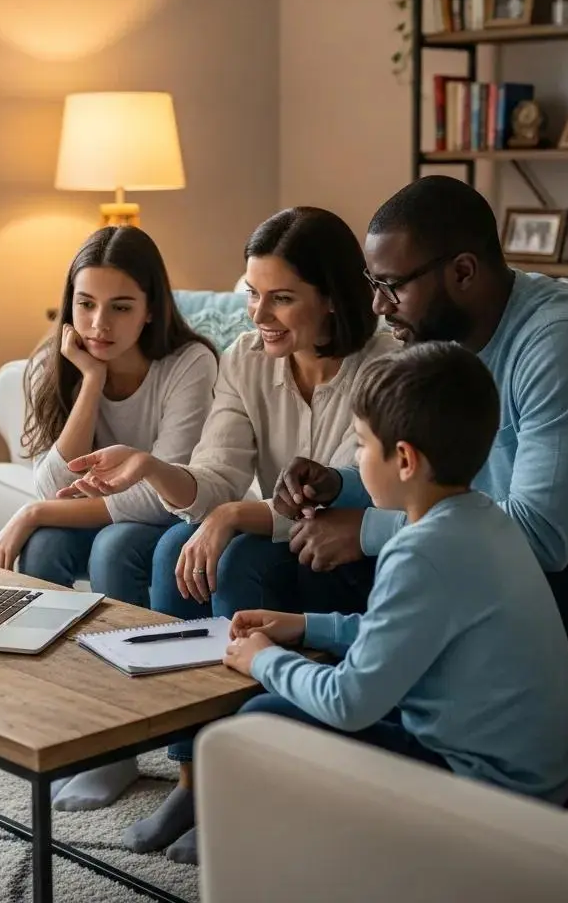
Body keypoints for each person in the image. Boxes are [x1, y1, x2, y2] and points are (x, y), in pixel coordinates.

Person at [164, 342, 568, 866]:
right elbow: (404, 634)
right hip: (543, 787)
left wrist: (263, 659)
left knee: (261, 718)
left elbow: (349, 702)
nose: (356, 462)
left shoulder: (417, 550)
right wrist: (305, 626)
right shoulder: (485, 521)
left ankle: (269, 868)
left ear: (403, 459)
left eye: (360, 445)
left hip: (486, 796)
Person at [61, 205, 395, 852]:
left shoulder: (383, 365)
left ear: (331, 299)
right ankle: (193, 776)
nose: (258, 314)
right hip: (289, 540)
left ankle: (241, 779)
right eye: (252, 294)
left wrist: (232, 515)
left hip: (355, 554)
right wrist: (153, 467)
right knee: (172, 552)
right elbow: (214, 477)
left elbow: (346, 502)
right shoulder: (248, 358)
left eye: (281, 299)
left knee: (236, 559)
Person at [274, 174, 568, 680]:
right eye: (372, 284)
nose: (379, 306)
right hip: (539, 557)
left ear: (463, 272)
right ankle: (350, 728)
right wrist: (341, 486)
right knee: (326, 563)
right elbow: (431, 476)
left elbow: (540, 539)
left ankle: (396, 736)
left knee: (450, 587)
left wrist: (367, 531)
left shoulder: (563, 343)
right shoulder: (441, 338)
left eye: (392, 285)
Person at [0, 224, 218, 811]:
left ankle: (121, 746)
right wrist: (89, 382)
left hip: (177, 514)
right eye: (85, 305)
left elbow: (166, 491)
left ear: (150, 310)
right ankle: (68, 731)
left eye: (120, 308)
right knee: (42, 554)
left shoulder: (189, 364)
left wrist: (36, 511)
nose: (98, 325)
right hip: (113, 515)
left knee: (113, 548)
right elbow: (52, 482)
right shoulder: (62, 359)